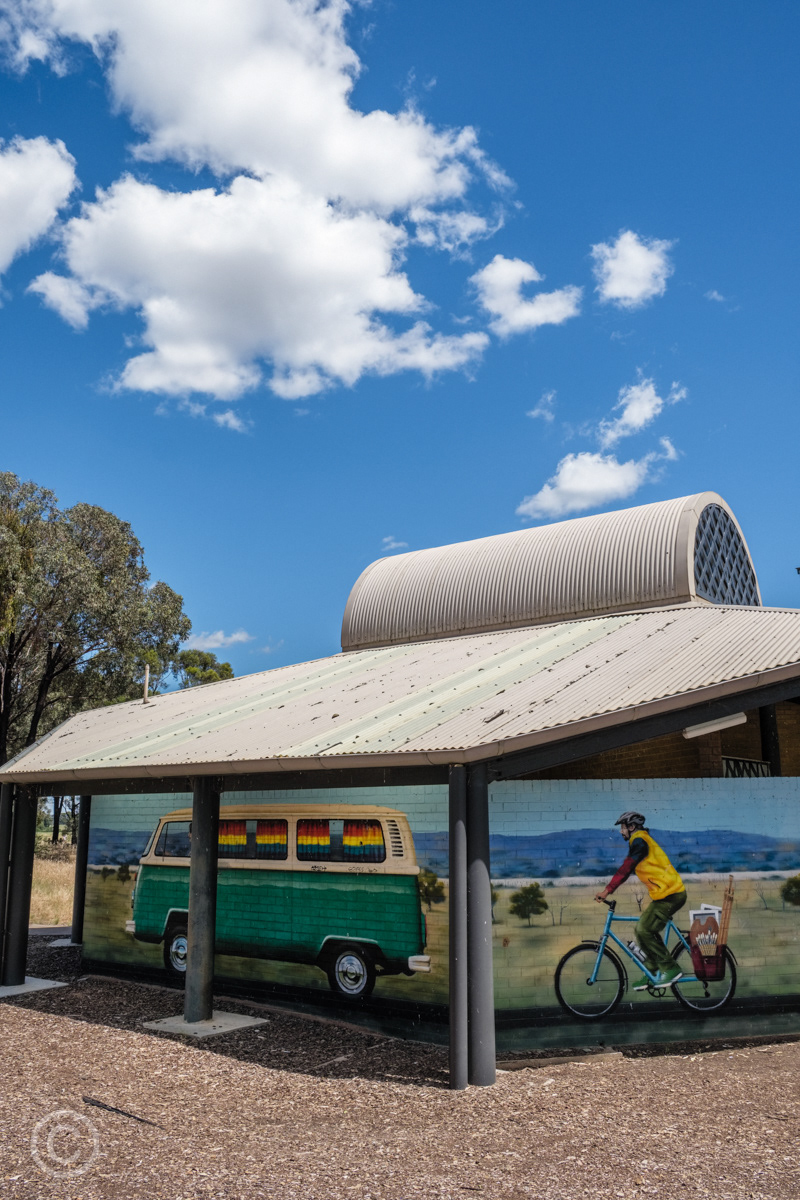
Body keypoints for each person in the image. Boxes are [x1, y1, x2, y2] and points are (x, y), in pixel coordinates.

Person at [595, 811, 687, 989]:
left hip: (671, 895)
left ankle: (671, 969)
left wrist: (607, 890)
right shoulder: (640, 840)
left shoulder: (639, 841)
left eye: (623, 827)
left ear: (632, 827)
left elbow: (626, 868)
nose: (621, 831)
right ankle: (652, 971)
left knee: (644, 929)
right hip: (666, 894)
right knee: (642, 931)